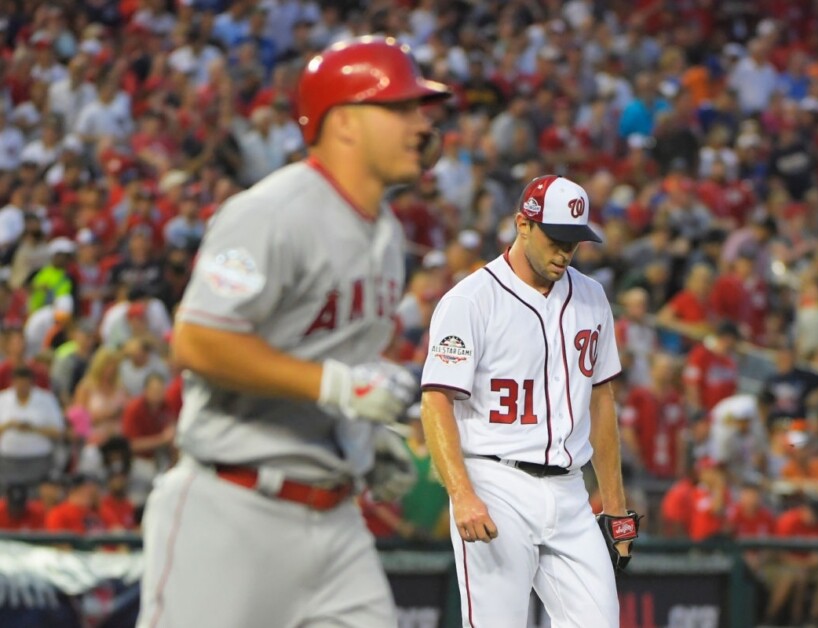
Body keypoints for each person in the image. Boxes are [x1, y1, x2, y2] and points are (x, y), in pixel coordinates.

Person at [137, 36, 449, 628]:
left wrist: (361, 433)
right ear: (346, 123)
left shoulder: (384, 233)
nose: (421, 123)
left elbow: (339, 362)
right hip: (232, 510)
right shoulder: (271, 212)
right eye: (401, 107)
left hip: (335, 520)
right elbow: (199, 341)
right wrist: (335, 388)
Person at [421, 174, 637, 627]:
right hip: (496, 483)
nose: (564, 253)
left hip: (570, 489)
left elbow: (601, 400)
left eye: (574, 242)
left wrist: (615, 508)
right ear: (523, 224)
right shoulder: (471, 300)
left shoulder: (592, 297)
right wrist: (461, 494)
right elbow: (436, 401)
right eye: (556, 239)